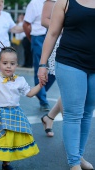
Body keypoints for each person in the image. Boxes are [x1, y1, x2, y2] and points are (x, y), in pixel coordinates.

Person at [38, 0, 95, 169]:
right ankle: (74, 163)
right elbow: (52, 33)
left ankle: (78, 155)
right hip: (70, 62)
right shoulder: (65, 1)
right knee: (74, 113)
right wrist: (43, 64)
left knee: (87, 113)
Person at [23, 0, 56, 112]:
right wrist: (32, 40)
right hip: (38, 37)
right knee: (40, 68)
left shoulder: (56, 1)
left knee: (54, 69)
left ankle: (39, 91)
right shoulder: (34, 3)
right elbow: (26, 24)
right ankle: (43, 101)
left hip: (54, 37)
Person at [40, 0, 63, 137]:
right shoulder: (52, 0)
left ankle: (49, 117)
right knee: (68, 88)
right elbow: (44, 20)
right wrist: (66, 27)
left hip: (79, 44)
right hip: (60, 43)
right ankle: (71, 135)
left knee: (69, 90)